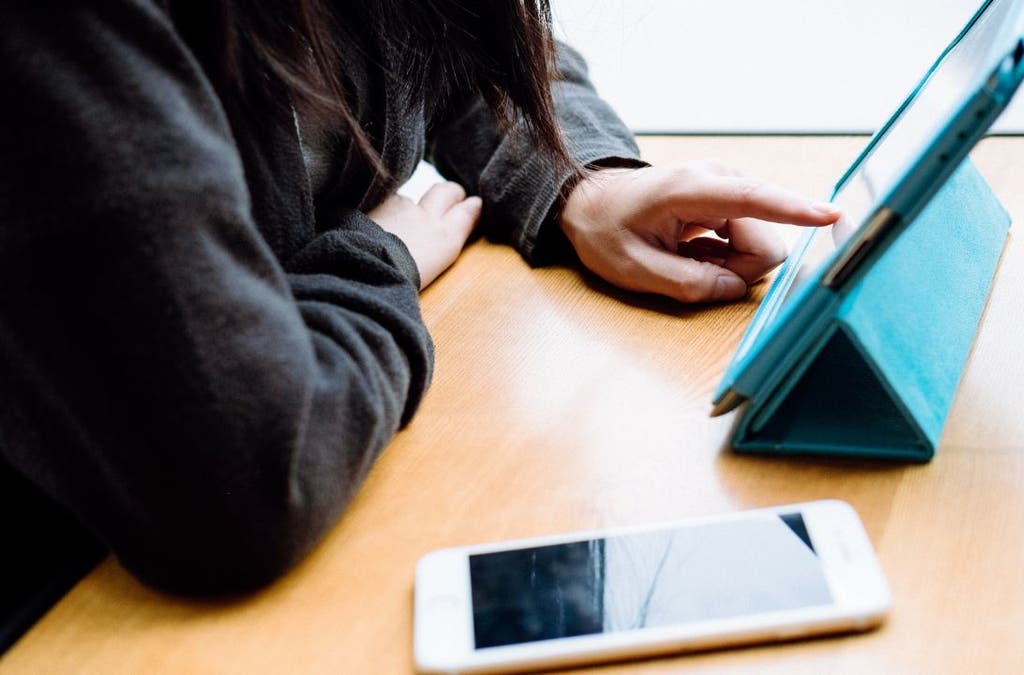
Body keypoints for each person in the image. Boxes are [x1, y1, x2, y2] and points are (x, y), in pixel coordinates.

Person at [0, 0, 838, 649]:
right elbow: (250, 473)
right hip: (77, 599)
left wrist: (582, 183)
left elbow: (461, 47)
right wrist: (378, 259)